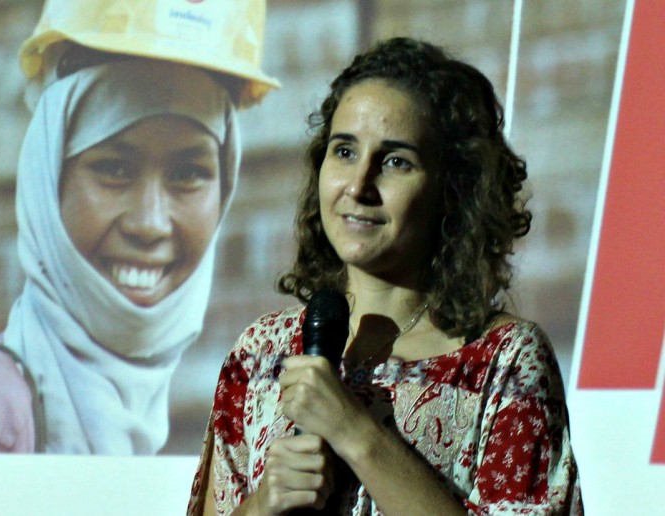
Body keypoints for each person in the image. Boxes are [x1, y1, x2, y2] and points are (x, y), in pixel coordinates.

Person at [188, 37, 582, 514]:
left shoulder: (506, 363)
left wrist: (354, 431)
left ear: (453, 189)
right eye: (344, 151)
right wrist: (263, 503)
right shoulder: (260, 352)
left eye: (396, 161)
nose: (358, 186)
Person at [0, 0, 278, 454]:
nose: (150, 223)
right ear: (50, 179)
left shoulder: (136, 405)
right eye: (114, 169)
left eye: (187, 174)